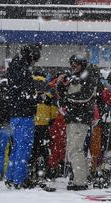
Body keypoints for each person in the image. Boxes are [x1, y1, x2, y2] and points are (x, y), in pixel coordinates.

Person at [57, 54, 101, 190]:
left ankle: (80, 181)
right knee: (73, 149)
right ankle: (80, 177)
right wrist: (61, 84)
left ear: (82, 64)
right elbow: (65, 96)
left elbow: (84, 97)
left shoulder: (88, 77)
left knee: (76, 149)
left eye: (75, 64)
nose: (72, 67)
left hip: (79, 118)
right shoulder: (76, 78)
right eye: (71, 64)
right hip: (74, 118)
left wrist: (67, 98)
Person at [2, 44, 41, 189]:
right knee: (24, 148)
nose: (34, 63)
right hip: (25, 114)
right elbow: (27, 95)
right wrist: (39, 98)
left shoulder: (13, 68)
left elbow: (17, 93)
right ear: (30, 58)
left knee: (16, 147)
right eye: (34, 60)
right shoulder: (24, 71)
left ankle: (11, 177)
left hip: (15, 114)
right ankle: (20, 179)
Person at [30, 71, 56, 184]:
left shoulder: (30, 85)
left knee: (32, 149)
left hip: (31, 123)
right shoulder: (48, 88)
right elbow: (54, 109)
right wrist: (51, 118)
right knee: (44, 149)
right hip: (44, 124)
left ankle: (31, 171)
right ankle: (45, 171)